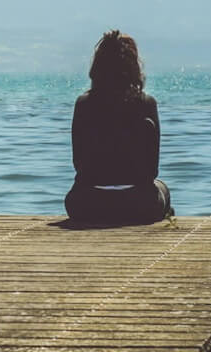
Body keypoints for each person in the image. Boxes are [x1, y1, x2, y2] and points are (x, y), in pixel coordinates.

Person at [64, 30, 173, 224]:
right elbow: (152, 171)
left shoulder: (83, 104)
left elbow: (78, 164)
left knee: (73, 196)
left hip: (88, 204)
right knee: (162, 187)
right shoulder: (147, 104)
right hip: (139, 204)